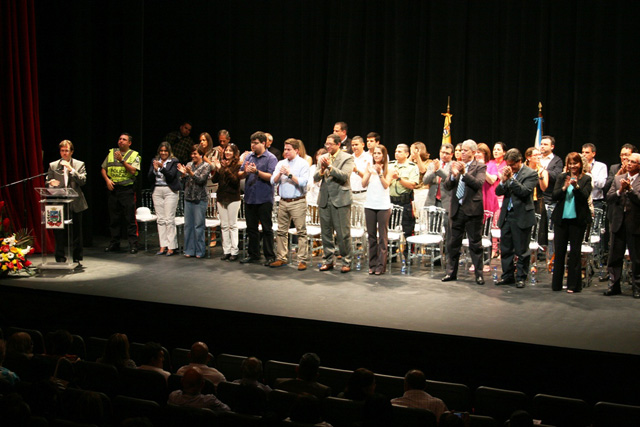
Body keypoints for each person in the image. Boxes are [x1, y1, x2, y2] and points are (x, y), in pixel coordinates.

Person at [442, 139, 487, 285]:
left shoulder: (480, 166)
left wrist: (464, 173)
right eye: (461, 150)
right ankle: (451, 273)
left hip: (473, 211)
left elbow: (478, 184)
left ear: (473, 153)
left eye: (465, 150)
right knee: (453, 243)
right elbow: (448, 186)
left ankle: (479, 274)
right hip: (457, 209)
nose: (462, 152)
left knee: (475, 244)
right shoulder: (455, 166)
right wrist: (454, 175)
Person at [495, 149, 538, 288]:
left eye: (513, 165)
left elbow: (524, 192)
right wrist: (503, 181)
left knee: (522, 250)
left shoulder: (531, 173)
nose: (510, 167)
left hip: (522, 216)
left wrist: (512, 179)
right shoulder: (507, 173)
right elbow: (498, 192)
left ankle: (521, 277)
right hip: (507, 216)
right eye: (508, 164)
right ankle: (507, 276)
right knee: (506, 249)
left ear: (520, 161)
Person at [551, 152, 593, 293]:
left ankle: (573, 285)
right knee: (560, 251)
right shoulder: (562, 177)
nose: (573, 166)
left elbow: (584, 197)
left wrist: (576, 187)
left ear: (580, 164)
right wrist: (564, 187)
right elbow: (555, 196)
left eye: (575, 163)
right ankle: (556, 284)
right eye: (570, 163)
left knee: (575, 253)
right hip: (561, 220)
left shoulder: (586, 179)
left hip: (577, 221)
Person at [315, 133, 355, 273]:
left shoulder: (347, 157)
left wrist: (330, 167)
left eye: (330, 144)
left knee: (343, 233)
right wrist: (321, 169)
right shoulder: (323, 158)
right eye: (326, 144)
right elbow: (315, 177)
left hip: (340, 199)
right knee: (326, 232)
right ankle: (328, 260)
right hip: (325, 199)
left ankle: (346, 261)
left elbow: (344, 176)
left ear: (338, 144)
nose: (328, 146)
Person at [238, 131, 278, 265]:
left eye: (255, 143)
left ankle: (270, 256)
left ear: (263, 143)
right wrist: (245, 172)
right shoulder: (249, 156)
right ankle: (253, 254)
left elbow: (272, 177)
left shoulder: (271, 158)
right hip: (250, 198)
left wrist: (256, 172)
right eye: (252, 143)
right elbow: (240, 174)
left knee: (267, 229)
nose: (253, 145)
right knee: (251, 228)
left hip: (264, 198)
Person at [270, 138, 310, 270]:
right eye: (285, 149)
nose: (286, 152)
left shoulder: (303, 164)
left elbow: (304, 182)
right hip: (283, 201)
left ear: (296, 150)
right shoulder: (281, 163)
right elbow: (272, 181)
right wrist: (280, 173)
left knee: (301, 231)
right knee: (281, 231)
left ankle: (302, 260)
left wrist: (289, 174)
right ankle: (281, 257)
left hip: (297, 201)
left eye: (289, 149)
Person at [604, 152, 640, 298]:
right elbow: (609, 197)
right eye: (627, 161)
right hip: (618, 222)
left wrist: (630, 190)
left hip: (635, 223)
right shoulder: (618, 179)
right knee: (614, 256)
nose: (629, 163)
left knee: (637, 258)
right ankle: (614, 285)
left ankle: (637, 287)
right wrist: (620, 191)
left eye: (632, 161)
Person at [46, 140, 87, 265]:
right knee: (59, 230)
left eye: (66, 151)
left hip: (75, 202)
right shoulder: (53, 165)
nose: (64, 153)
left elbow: (83, 181)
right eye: (62, 151)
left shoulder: (79, 164)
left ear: (71, 152)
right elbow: (48, 180)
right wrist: (50, 183)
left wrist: (71, 170)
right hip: (59, 202)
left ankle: (76, 257)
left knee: (76, 232)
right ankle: (60, 257)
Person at [101, 133, 141, 254]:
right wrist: (107, 180)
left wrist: (122, 160)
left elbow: (133, 171)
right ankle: (114, 243)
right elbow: (103, 168)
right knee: (114, 219)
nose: (121, 141)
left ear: (129, 143)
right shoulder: (111, 152)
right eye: (120, 139)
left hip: (127, 190)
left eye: (124, 140)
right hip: (114, 190)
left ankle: (133, 244)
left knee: (129, 219)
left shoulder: (134, 155)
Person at [362, 145, 392, 275]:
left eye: (379, 153)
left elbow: (386, 185)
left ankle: (381, 265)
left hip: (383, 206)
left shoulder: (389, 169)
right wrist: (369, 172)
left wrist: (380, 173)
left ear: (384, 155)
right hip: (370, 205)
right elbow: (363, 184)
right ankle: (372, 264)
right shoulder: (369, 167)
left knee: (382, 237)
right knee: (371, 236)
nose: (376, 156)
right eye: (375, 153)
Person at [178, 145, 212, 259]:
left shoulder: (206, 166)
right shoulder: (189, 165)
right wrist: (183, 174)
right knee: (188, 226)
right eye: (192, 154)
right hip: (188, 198)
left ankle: (200, 250)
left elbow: (201, 180)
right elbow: (183, 180)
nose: (193, 156)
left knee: (198, 225)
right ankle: (189, 249)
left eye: (195, 154)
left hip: (200, 199)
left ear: (201, 155)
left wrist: (191, 173)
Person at [148, 142, 181, 257]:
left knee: (169, 219)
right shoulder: (155, 160)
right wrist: (154, 170)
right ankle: (163, 245)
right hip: (157, 190)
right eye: (161, 151)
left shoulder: (174, 161)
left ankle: (172, 246)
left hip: (169, 191)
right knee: (160, 219)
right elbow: (149, 177)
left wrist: (162, 168)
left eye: (165, 151)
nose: (163, 153)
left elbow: (171, 176)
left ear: (169, 152)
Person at [211, 144, 242, 261]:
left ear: (234, 153)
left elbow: (234, 181)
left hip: (233, 198)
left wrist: (225, 169)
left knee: (232, 225)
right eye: (226, 150)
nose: (228, 152)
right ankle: (226, 251)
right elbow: (214, 180)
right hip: (221, 198)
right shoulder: (221, 163)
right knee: (223, 226)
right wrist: (218, 169)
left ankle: (234, 251)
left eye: (230, 151)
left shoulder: (238, 165)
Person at [389, 144, 420, 258]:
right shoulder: (390, 165)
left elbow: (412, 185)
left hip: (405, 202)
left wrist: (398, 178)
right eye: (396, 151)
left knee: (407, 230)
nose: (397, 153)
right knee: (390, 229)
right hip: (391, 201)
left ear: (407, 154)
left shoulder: (412, 167)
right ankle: (390, 254)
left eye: (400, 152)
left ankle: (408, 255)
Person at [524, 147, 549, 250]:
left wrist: (540, 176)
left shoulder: (543, 171)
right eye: (536, 155)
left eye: (539, 155)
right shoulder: (523, 169)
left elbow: (544, 188)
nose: (539, 157)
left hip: (537, 202)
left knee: (537, 230)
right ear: (528, 157)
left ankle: (534, 258)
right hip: (525, 201)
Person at [424, 143, 454, 209]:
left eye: (447, 153)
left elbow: (450, 179)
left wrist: (438, 170)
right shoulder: (432, 164)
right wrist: (433, 171)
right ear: (439, 152)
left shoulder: (454, 165)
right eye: (442, 152)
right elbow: (425, 181)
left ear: (451, 155)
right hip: (431, 202)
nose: (444, 155)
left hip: (446, 203)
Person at [581, 143, 607, 212]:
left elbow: (601, 184)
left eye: (587, 152)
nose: (584, 154)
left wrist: (590, 175)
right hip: (581, 200)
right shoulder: (579, 167)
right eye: (582, 152)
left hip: (596, 201)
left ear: (593, 154)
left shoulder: (601, 166)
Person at [350, 136, 372, 205]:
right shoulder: (349, 158)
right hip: (350, 194)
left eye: (356, 145)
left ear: (363, 145)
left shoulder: (369, 158)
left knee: (362, 215)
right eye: (352, 145)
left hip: (363, 194)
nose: (354, 147)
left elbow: (369, 178)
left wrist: (356, 171)